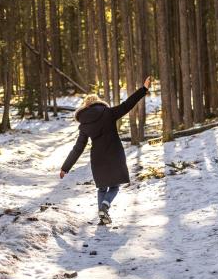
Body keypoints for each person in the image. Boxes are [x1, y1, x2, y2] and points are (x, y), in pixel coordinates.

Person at [60, 76, 151, 224]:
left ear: (85, 107)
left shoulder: (84, 125)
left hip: (98, 159)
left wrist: (65, 167)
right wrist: (143, 89)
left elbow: (78, 148)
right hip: (114, 154)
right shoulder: (108, 113)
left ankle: (102, 218)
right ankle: (105, 206)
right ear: (98, 102)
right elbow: (127, 105)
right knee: (114, 187)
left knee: (102, 188)